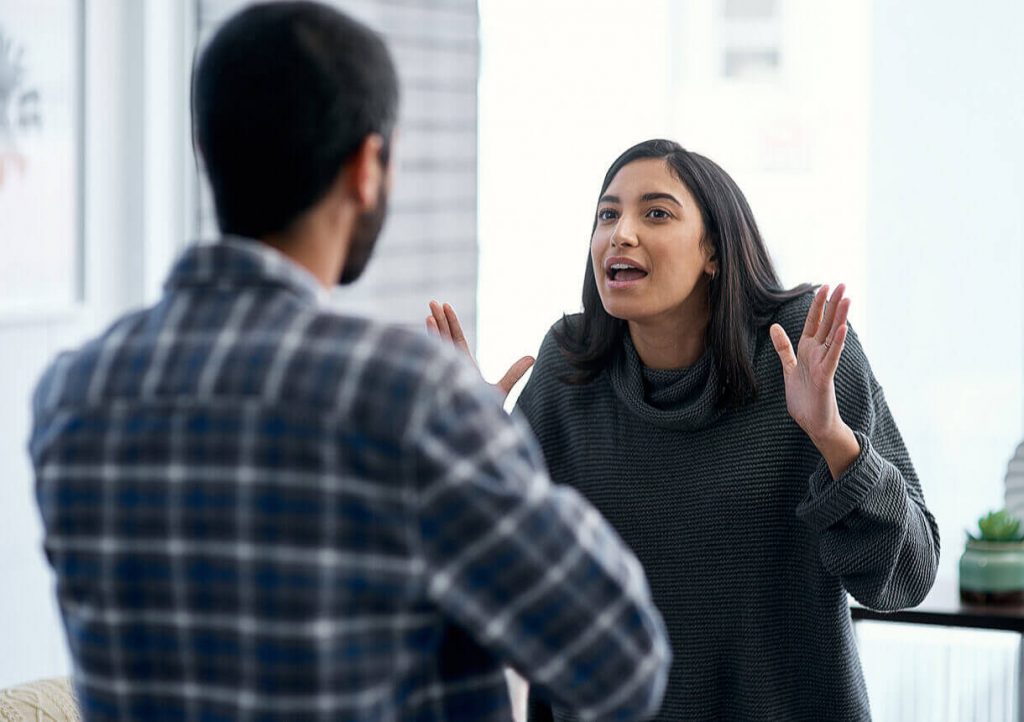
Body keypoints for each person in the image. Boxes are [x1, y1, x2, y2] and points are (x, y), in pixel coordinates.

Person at [28, 5, 671, 721]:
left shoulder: (69, 396)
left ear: (208, 154)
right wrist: (491, 447)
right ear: (367, 167)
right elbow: (622, 663)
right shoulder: (407, 396)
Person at [428, 138, 940, 721]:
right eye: (607, 214)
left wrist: (831, 437)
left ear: (714, 251)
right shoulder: (570, 367)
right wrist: (477, 457)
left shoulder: (803, 351)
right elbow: (501, 585)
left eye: (656, 213)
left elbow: (906, 576)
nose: (621, 233)